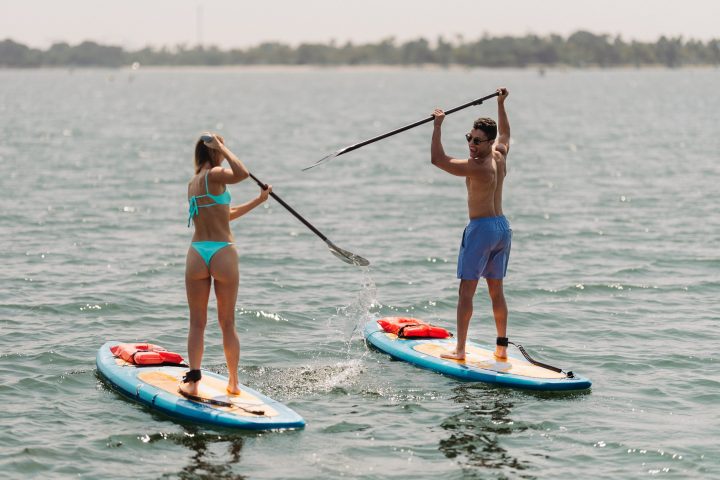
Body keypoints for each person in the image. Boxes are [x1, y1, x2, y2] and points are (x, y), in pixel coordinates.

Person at [180, 133, 271, 398]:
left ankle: (194, 378)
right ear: (213, 152)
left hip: (197, 253)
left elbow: (224, 214)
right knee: (227, 323)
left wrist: (258, 200)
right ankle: (233, 382)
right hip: (222, 252)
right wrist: (223, 147)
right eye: (219, 148)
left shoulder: (193, 183)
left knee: (197, 323)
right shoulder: (217, 173)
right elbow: (242, 172)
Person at [430, 88, 512, 361]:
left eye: (477, 141)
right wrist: (501, 104)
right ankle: (501, 347)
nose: (471, 145)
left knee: (466, 292)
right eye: (469, 138)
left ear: (488, 143)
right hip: (502, 228)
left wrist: (438, 126)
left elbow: (437, 160)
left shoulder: (477, 166)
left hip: (482, 230)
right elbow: (506, 135)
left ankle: (460, 350)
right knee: (496, 291)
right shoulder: (500, 155)